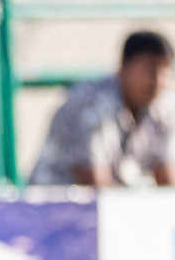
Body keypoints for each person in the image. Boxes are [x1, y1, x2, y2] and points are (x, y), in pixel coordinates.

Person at [30, 30, 174, 187]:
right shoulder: (93, 103)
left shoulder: (162, 108)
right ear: (124, 67)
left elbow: (166, 178)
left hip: (113, 202)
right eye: (150, 70)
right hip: (54, 203)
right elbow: (93, 182)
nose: (158, 80)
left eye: (164, 70)